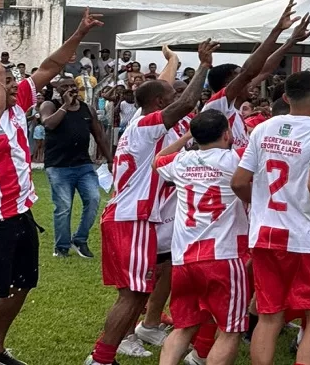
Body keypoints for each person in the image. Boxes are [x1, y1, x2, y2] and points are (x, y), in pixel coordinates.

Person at [85, 40, 219, 365]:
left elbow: (167, 88)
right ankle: (101, 358)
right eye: (168, 99)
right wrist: (203, 64)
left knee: (142, 290)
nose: (174, 101)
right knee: (131, 295)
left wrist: (172, 59)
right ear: (159, 104)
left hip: (140, 219)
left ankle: (113, 350)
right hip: (131, 219)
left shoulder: (148, 121)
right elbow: (185, 102)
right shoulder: (145, 126)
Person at [0, 8, 103, 365]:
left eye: (11, 80)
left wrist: (79, 33)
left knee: (21, 283)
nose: (15, 84)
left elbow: (49, 66)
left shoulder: (15, 106)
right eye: (4, 81)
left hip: (19, 212)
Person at [231, 71, 310, 365]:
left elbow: (239, 182)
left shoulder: (262, 128)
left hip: (265, 232)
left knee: (269, 314)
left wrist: (261, 205)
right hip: (305, 235)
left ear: (284, 97)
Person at [155, 110, 250, 365]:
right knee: (231, 330)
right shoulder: (236, 159)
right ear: (227, 134)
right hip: (224, 254)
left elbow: (158, 160)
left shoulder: (182, 161)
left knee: (184, 326)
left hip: (184, 256)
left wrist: (188, 136)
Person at [203, 0, 310, 150]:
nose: (252, 83)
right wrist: (277, 30)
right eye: (239, 76)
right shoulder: (217, 107)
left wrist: (291, 41)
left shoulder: (236, 112)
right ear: (229, 85)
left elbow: (265, 70)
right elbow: (249, 72)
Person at [40, 74, 113, 258]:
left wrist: (110, 159)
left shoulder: (87, 109)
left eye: (73, 86)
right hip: (58, 166)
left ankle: (80, 239)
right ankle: (62, 247)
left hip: (83, 165)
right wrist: (65, 105)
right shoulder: (50, 105)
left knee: (94, 199)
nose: (71, 89)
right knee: (63, 206)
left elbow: (99, 136)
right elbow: (48, 124)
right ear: (58, 90)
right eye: (66, 86)